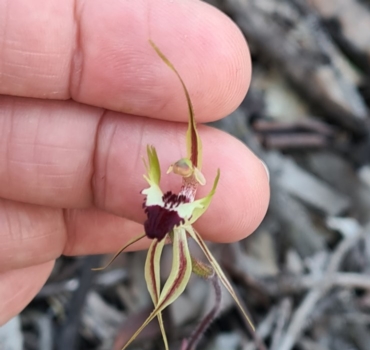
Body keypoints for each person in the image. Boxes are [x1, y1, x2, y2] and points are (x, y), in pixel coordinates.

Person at [0, 0, 270, 326]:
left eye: (189, 178)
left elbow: (171, 218)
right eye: (178, 172)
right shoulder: (167, 210)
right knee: (163, 283)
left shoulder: (182, 210)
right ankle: (159, 340)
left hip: (177, 225)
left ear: (201, 189)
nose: (182, 179)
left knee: (178, 285)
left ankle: (166, 339)